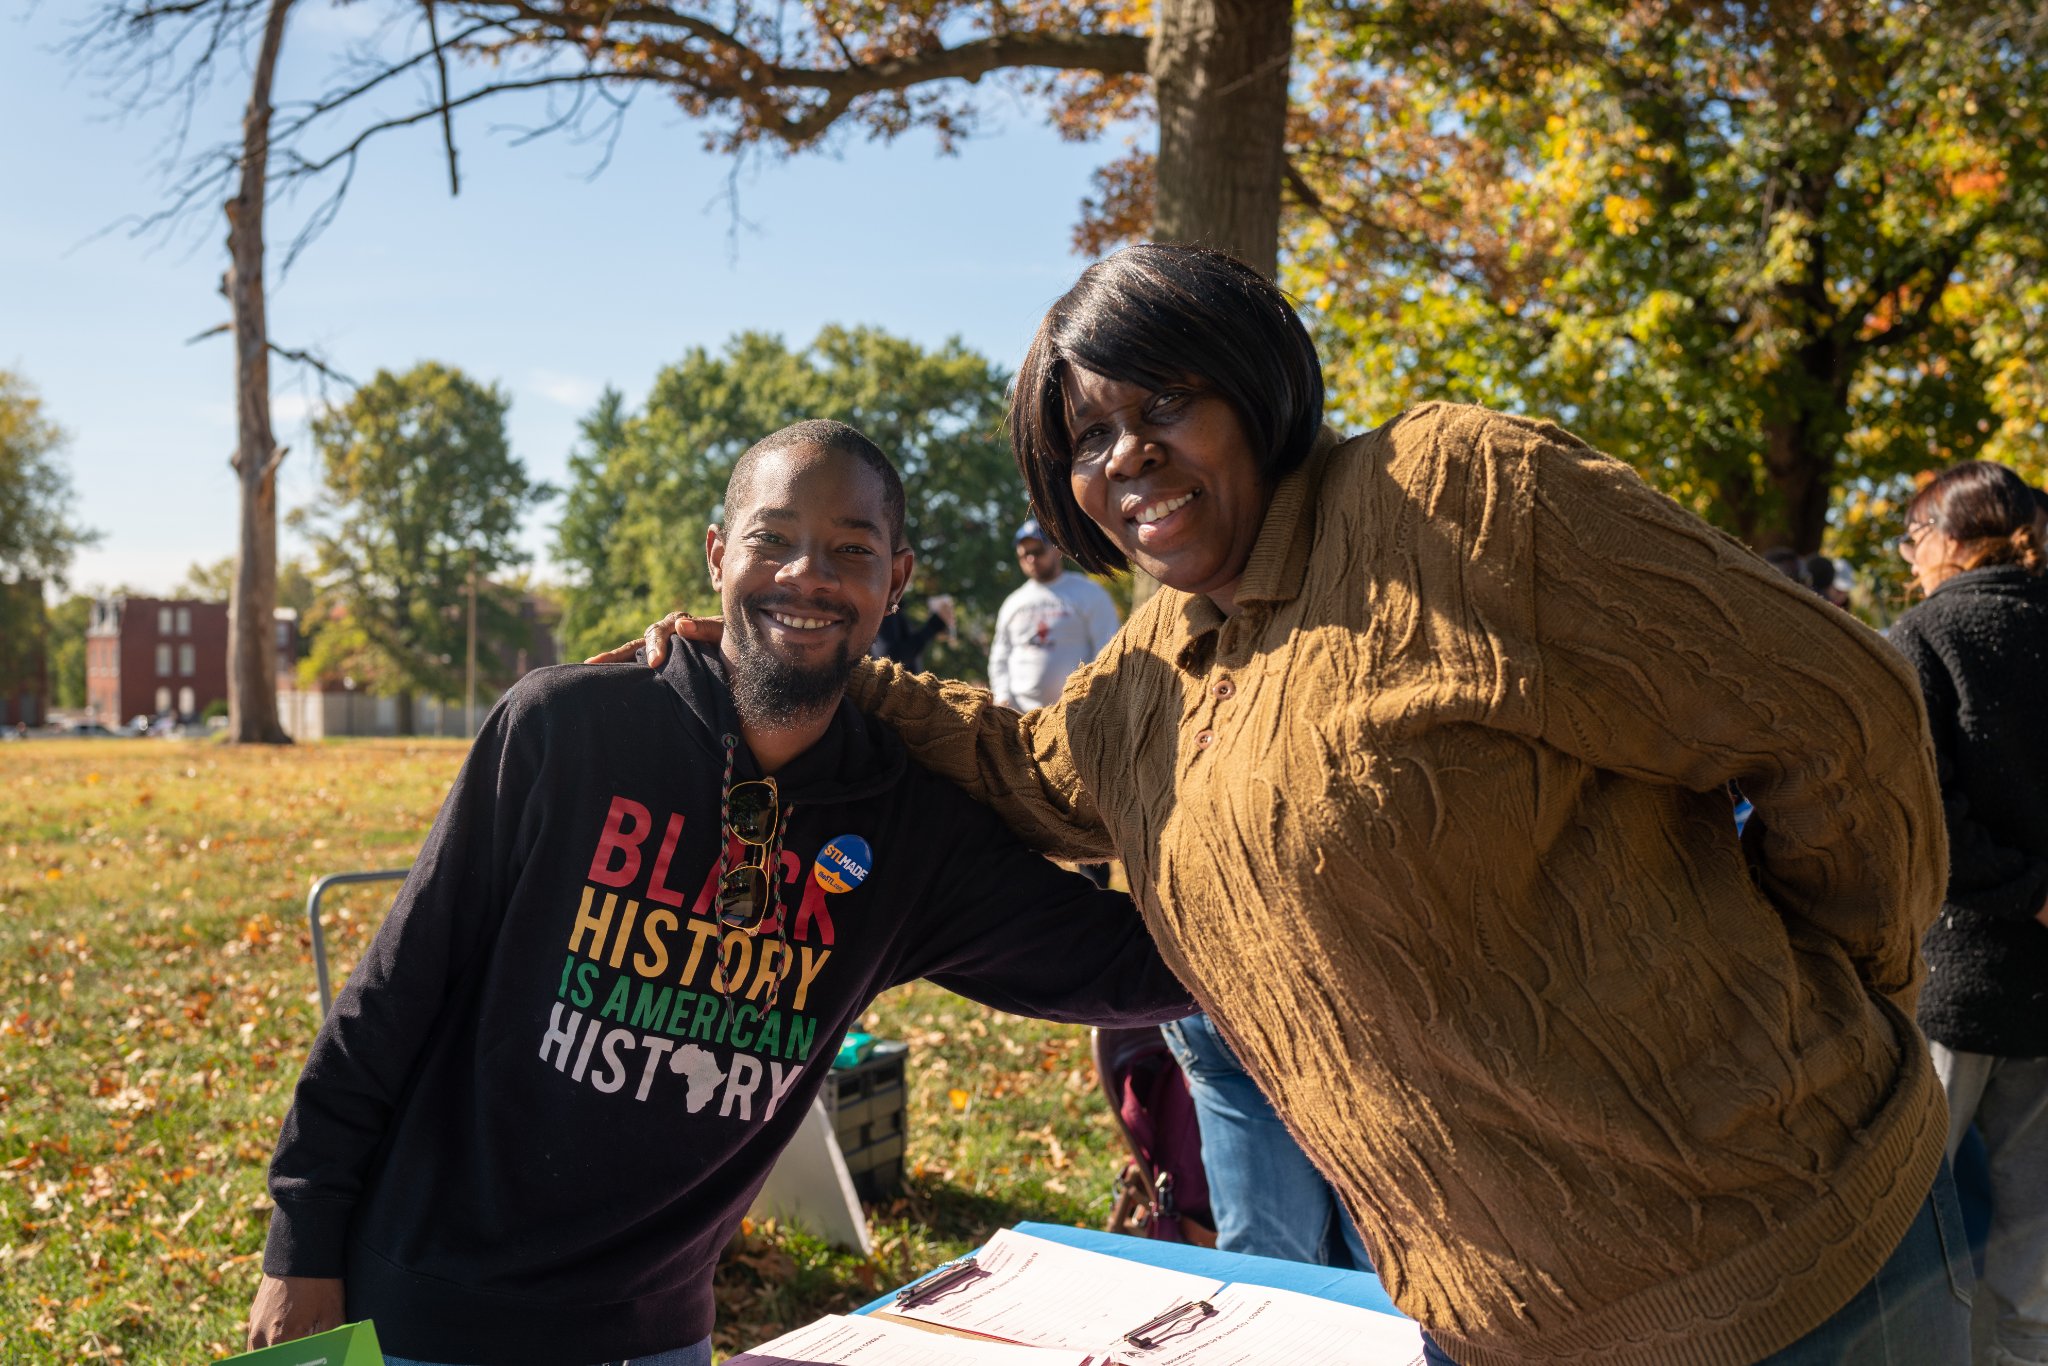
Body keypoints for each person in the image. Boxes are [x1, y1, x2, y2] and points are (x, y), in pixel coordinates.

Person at [614, 245, 1968, 1366]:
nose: (1128, 456)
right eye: (1089, 435)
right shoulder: (1155, 664)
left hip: (1799, 1263)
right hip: (1487, 1317)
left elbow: (1840, 711)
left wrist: (1848, 976)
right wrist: (828, 662)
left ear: (1256, 385)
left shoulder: (1452, 499)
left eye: (1165, 404)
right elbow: (1030, 771)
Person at [247, 421, 1191, 1365]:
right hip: (430, 1311)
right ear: (717, 555)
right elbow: (390, 997)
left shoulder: (911, 833)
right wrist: (299, 1244)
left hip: (658, 1334)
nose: (806, 575)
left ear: (893, 582)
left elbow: (1128, 964)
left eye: (849, 551)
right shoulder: (566, 729)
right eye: (772, 539)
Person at [1886, 460, 2048, 1366]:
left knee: (1909, 1209)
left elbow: (1927, 817)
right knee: (2037, 1233)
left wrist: (2024, 890)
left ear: (1950, 540)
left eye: (1913, 538)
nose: (1911, 558)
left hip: (1958, 971)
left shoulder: (1922, 636)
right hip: (2040, 981)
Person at [988, 516, 1123, 712]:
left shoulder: (1089, 592)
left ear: (1056, 549)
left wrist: (1094, 697)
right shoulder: (1013, 602)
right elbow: (1000, 658)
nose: (1031, 559)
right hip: (1020, 716)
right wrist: (1003, 698)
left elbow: (1107, 649)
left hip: (1078, 712)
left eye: (1038, 551)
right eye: (1025, 554)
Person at [869, 590, 955, 671]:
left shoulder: (893, 608)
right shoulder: (886, 605)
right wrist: (935, 625)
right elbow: (889, 658)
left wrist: (935, 629)